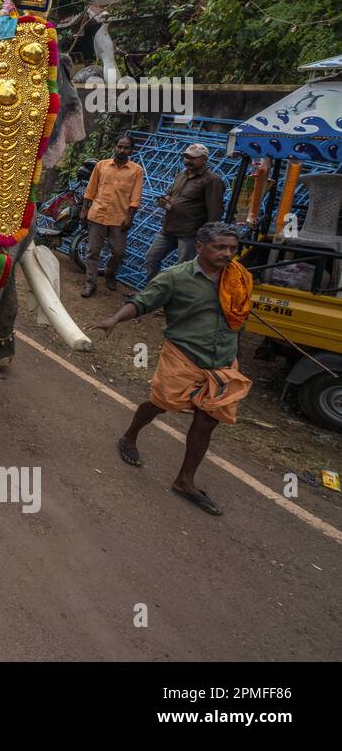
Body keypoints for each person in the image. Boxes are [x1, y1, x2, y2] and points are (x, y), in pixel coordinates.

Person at [92, 222, 253, 516]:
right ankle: (130, 436)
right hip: (184, 357)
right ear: (200, 247)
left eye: (232, 248)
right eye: (219, 247)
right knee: (160, 404)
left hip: (223, 362)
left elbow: (238, 318)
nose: (227, 254)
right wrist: (115, 318)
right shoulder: (175, 277)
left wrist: (237, 353)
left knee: (207, 420)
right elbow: (143, 301)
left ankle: (185, 481)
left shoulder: (239, 277)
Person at [144, 143, 227, 281]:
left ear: (204, 159)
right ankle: (151, 291)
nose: (188, 160)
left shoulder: (212, 180)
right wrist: (165, 200)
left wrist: (206, 236)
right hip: (169, 228)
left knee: (182, 269)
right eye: (186, 157)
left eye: (193, 158)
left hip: (190, 233)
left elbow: (215, 211)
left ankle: (175, 299)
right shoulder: (182, 175)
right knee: (151, 257)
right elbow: (171, 193)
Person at [80, 134, 146, 297]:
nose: (122, 150)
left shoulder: (136, 170)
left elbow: (135, 197)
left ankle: (110, 273)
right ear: (115, 147)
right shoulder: (101, 166)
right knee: (92, 252)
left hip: (119, 218)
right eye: (120, 146)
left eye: (126, 148)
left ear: (131, 150)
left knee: (118, 252)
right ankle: (90, 283)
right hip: (98, 214)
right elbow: (90, 190)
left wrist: (130, 217)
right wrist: (84, 210)